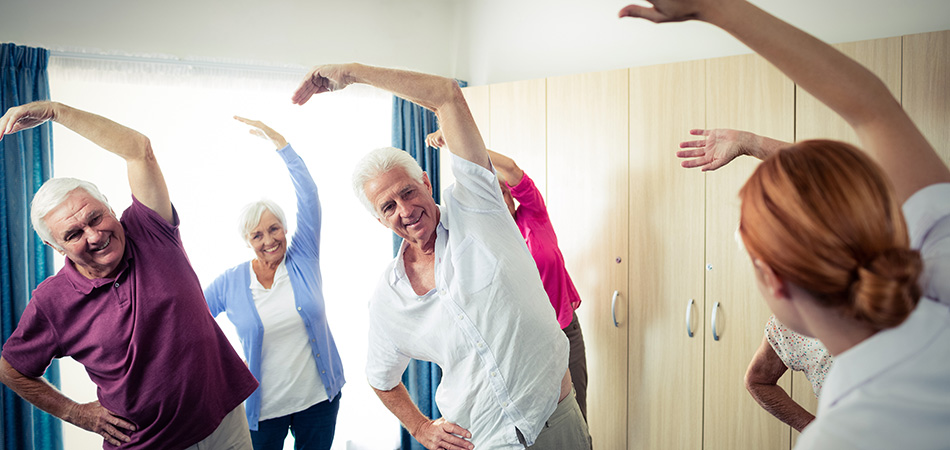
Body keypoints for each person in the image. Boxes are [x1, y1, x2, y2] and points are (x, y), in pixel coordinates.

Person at [621, 1, 950, 449]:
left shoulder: (846, 436)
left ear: (774, 281)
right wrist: (714, 7)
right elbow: (871, 107)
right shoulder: (940, 260)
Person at [292, 63, 591, 450]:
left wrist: (351, 74)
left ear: (426, 182)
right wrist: (419, 428)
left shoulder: (478, 211)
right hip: (482, 441)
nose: (404, 209)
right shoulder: (390, 296)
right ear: (380, 219)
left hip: (554, 423)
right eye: (388, 206)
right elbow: (381, 376)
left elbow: (447, 94)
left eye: (408, 192)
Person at [0, 101, 258, 449]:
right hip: (148, 444)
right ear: (58, 248)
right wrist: (76, 413)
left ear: (108, 205)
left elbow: (139, 150)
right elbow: (11, 368)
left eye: (95, 217)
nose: (93, 235)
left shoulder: (149, 229)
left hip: (224, 421)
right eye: (73, 235)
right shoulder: (52, 301)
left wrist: (55, 113)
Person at [426, 129, 590, 420]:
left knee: (575, 414)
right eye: (493, 195)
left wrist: (458, 142)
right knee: (537, 421)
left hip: (564, 328)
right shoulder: (479, 239)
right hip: (522, 341)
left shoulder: (534, 217)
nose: (500, 199)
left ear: (512, 197)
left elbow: (512, 169)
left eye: (504, 192)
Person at [204, 117, 345, 450]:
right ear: (247, 240)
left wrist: (281, 144)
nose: (269, 240)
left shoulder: (303, 258)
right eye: (257, 234)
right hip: (263, 411)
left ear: (285, 229)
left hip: (318, 402)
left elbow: (309, 197)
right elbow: (192, 321)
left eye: (274, 228)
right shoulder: (231, 282)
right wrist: (223, 368)